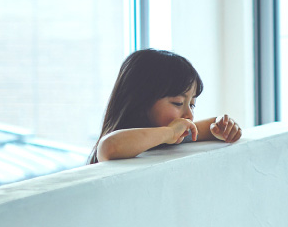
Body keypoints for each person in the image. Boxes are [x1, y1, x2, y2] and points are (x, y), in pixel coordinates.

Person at [89, 49, 242, 164]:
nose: (189, 115)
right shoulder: (165, 134)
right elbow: (109, 147)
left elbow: (211, 127)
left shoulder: (173, 136)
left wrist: (223, 126)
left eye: (192, 105)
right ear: (141, 102)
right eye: (178, 103)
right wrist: (170, 132)